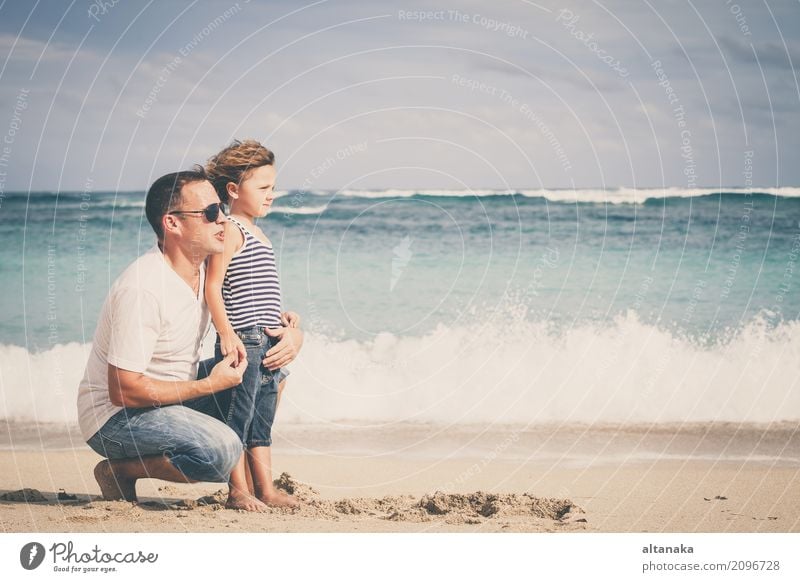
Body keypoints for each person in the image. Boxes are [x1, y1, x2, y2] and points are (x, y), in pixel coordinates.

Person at [76, 169, 304, 503]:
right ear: (173, 223)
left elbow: (255, 308)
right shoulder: (144, 289)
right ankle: (118, 469)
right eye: (211, 214)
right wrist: (210, 386)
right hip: (116, 418)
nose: (223, 221)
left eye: (222, 210)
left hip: (173, 392)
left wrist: (293, 335)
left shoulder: (204, 271)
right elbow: (123, 389)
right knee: (218, 451)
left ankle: (255, 487)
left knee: (273, 372)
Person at [204, 139, 300, 510]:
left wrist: (284, 317)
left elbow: (256, 290)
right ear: (233, 190)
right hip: (244, 341)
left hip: (267, 340)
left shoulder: (259, 234)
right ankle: (238, 490)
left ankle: (267, 489)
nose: (271, 195)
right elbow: (214, 287)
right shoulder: (229, 230)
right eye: (262, 188)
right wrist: (226, 334)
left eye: (273, 187)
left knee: (261, 420)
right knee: (238, 418)